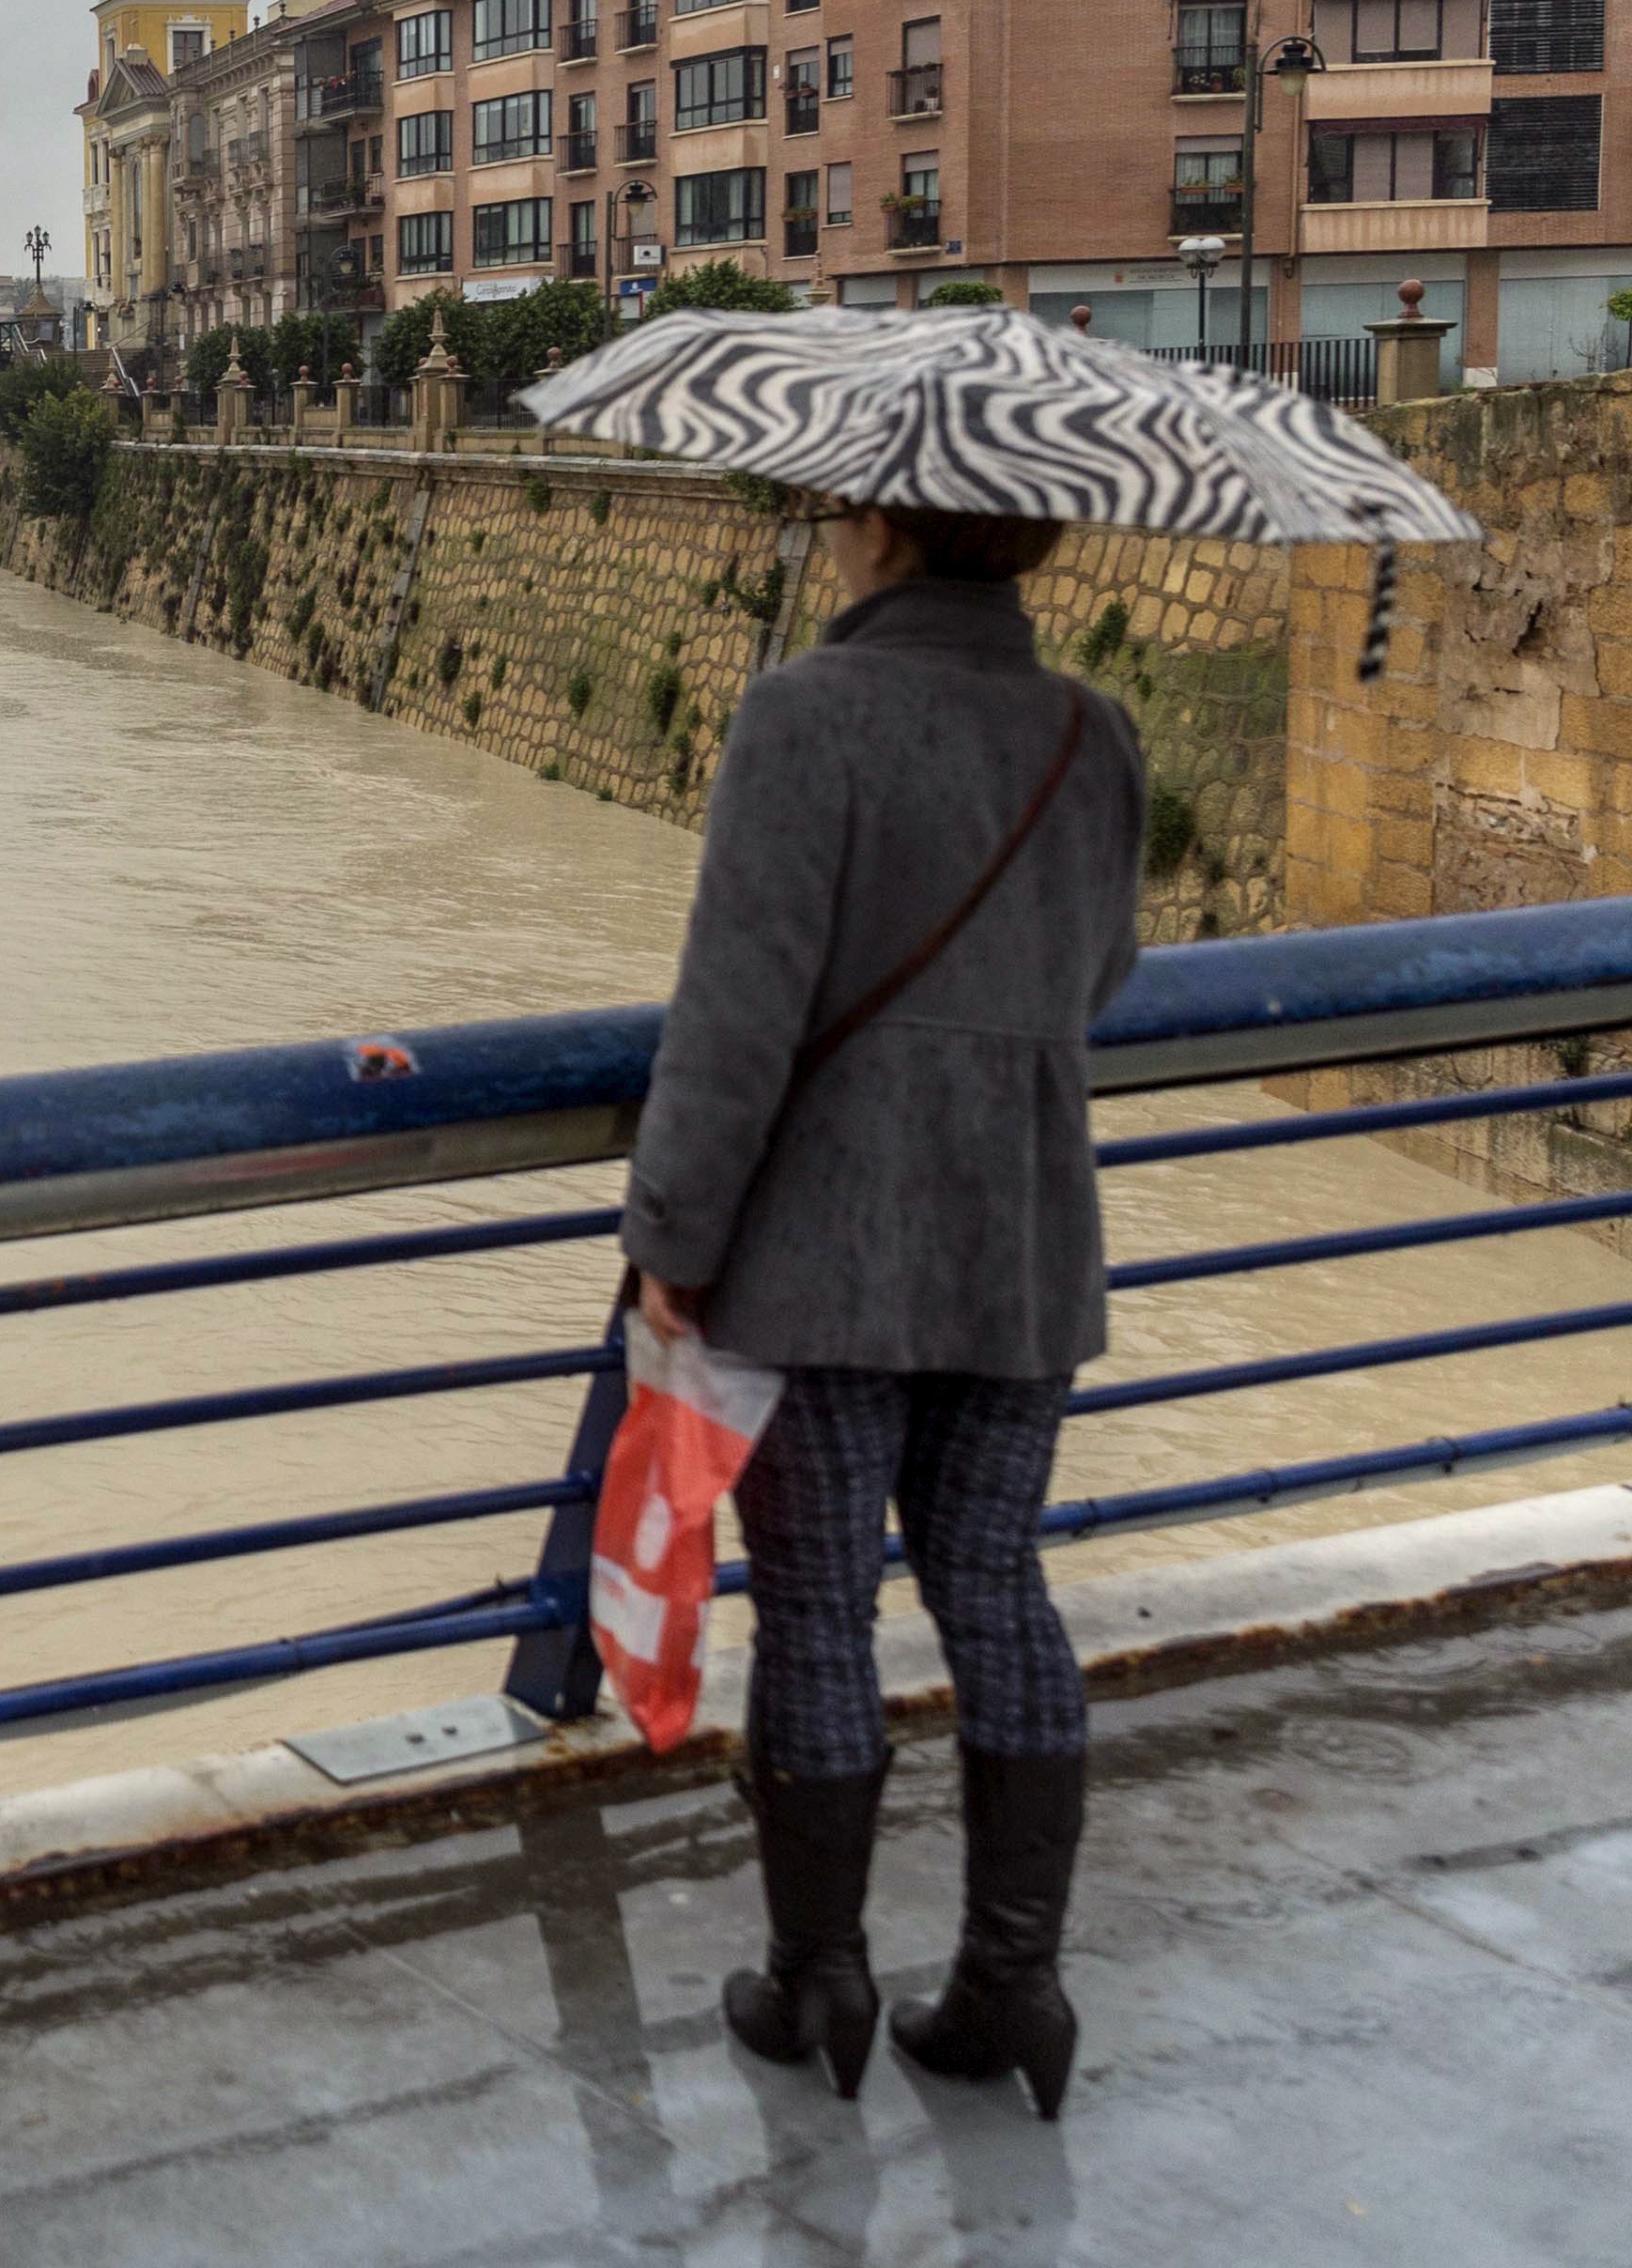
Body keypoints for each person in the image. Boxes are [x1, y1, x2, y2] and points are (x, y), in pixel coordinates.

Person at [621, 500, 1146, 2119]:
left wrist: (672, 1233)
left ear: (875, 527)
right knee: (997, 1588)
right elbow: (1102, 972)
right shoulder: (1090, 730)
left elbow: (737, 1013)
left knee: (824, 1608)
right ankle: (1012, 1989)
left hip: (826, 1248)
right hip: (1023, 1239)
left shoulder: (802, 713)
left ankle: (818, 1980)